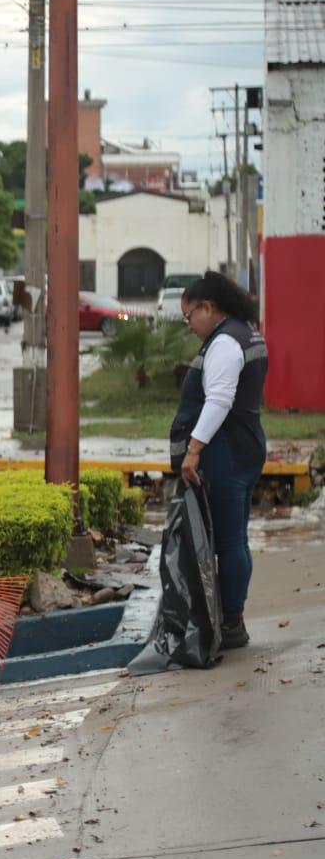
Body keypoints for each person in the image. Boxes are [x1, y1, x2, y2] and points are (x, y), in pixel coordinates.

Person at [171, 271, 268, 650]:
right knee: (235, 538)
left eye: (190, 315)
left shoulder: (225, 342)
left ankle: (231, 622)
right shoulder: (248, 333)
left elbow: (219, 401)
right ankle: (230, 617)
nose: (190, 325)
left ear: (208, 308)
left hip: (226, 452)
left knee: (228, 542)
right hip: (246, 445)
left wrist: (193, 449)